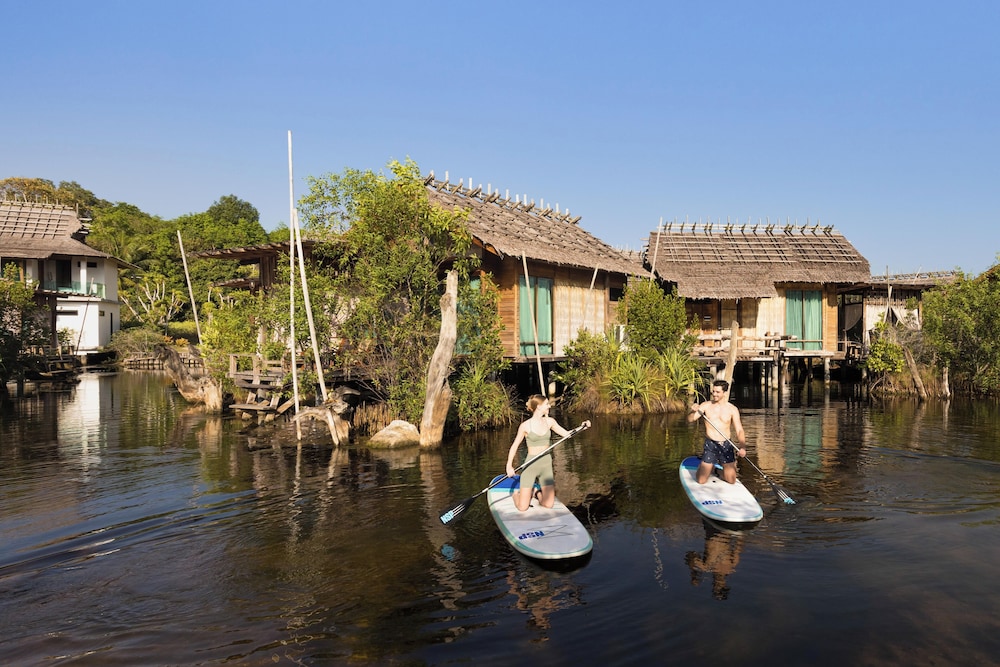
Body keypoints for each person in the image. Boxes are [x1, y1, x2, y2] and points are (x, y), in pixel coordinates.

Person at [505, 394, 590, 511]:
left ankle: (536, 492)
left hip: (546, 464)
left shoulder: (550, 421)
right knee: (522, 507)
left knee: (548, 504)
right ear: (538, 407)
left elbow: (567, 434)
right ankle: (516, 495)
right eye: (546, 404)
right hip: (530, 465)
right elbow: (514, 446)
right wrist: (509, 465)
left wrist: (582, 427)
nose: (549, 406)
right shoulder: (525, 426)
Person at [687, 379, 746, 484]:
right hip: (711, 444)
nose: (714, 394)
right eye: (713, 391)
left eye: (717, 392)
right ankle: (704, 467)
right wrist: (692, 411)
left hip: (726, 445)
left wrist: (742, 447)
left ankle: (716, 470)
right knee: (701, 480)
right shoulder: (705, 405)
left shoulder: (732, 409)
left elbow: (739, 430)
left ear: (724, 393)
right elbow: (690, 419)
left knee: (731, 480)